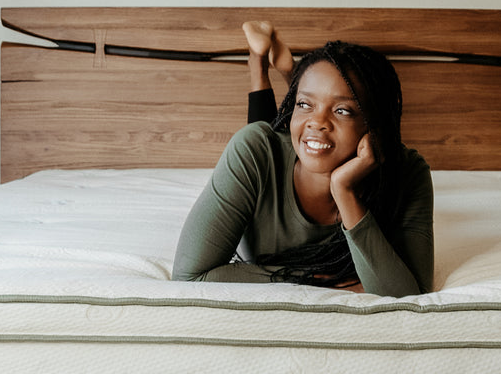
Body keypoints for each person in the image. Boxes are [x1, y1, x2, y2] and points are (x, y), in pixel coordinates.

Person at [172, 22, 434, 296]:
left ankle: (287, 73)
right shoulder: (254, 150)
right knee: (265, 137)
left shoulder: (409, 171)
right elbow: (189, 277)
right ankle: (258, 63)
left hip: (315, 154)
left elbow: (409, 293)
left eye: (343, 110)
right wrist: (314, 278)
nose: (318, 121)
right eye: (304, 104)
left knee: (287, 137)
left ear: (375, 125)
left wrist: (344, 191)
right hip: (268, 150)